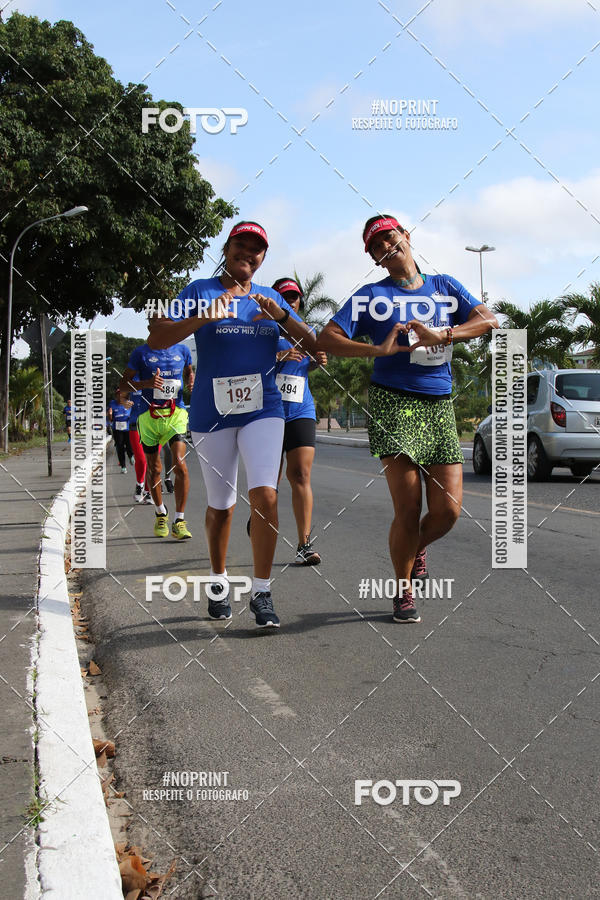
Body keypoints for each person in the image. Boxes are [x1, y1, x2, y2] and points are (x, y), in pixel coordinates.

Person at [317, 214, 498, 623]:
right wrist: (377, 350)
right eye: (376, 245)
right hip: (392, 402)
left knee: (448, 510)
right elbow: (327, 339)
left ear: (406, 236)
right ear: (374, 258)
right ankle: (403, 591)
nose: (386, 246)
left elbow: (488, 320)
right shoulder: (370, 295)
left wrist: (444, 334)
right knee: (409, 507)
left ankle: (415, 548)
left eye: (389, 237)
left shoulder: (444, 286)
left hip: (438, 404)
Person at [146, 220, 317, 628]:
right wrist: (203, 317)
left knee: (266, 496)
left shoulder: (271, 297)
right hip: (212, 414)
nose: (248, 253)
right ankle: (219, 580)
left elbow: (315, 344)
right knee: (222, 507)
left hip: (264, 410)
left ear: (263, 258)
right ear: (226, 249)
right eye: (241, 245)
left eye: (256, 249)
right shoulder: (199, 291)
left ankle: (262, 591)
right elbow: (157, 338)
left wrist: (283, 316)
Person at [270, 276, 328, 565]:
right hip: (268, 412)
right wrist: (279, 354)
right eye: (284, 297)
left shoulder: (308, 332)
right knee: (270, 481)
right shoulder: (263, 330)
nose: (290, 301)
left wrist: (316, 362)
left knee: (301, 475)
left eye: (294, 297)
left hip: (300, 411)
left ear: (299, 300)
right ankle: (261, 515)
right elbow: (248, 367)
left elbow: (303, 369)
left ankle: (304, 544)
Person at [120, 321, 194, 539]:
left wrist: (191, 379)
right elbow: (123, 386)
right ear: (151, 329)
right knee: (155, 468)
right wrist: (147, 384)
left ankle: (179, 520)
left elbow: (189, 371)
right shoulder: (141, 353)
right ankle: (161, 513)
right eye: (156, 326)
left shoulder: (183, 350)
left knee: (179, 463)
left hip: (175, 413)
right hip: (148, 416)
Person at [127, 389, 153, 504]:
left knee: (152, 461)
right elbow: (122, 395)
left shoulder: (157, 379)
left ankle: (148, 491)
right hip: (135, 424)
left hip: (154, 425)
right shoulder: (133, 380)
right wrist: (124, 402)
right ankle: (139, 485)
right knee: (142, 459)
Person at [107, 389, 133, 473]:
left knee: (129, 444)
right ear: (116, 396)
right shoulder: (112, 403)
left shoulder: (129, 403)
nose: (120, 396)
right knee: (120, 447)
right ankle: (123, 466)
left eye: (122, 394)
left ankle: (131, 456)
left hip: (127, 428)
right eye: (118, 395)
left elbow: (133, 415)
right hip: (117, 429)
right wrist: (110, 414)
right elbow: (110, 419)